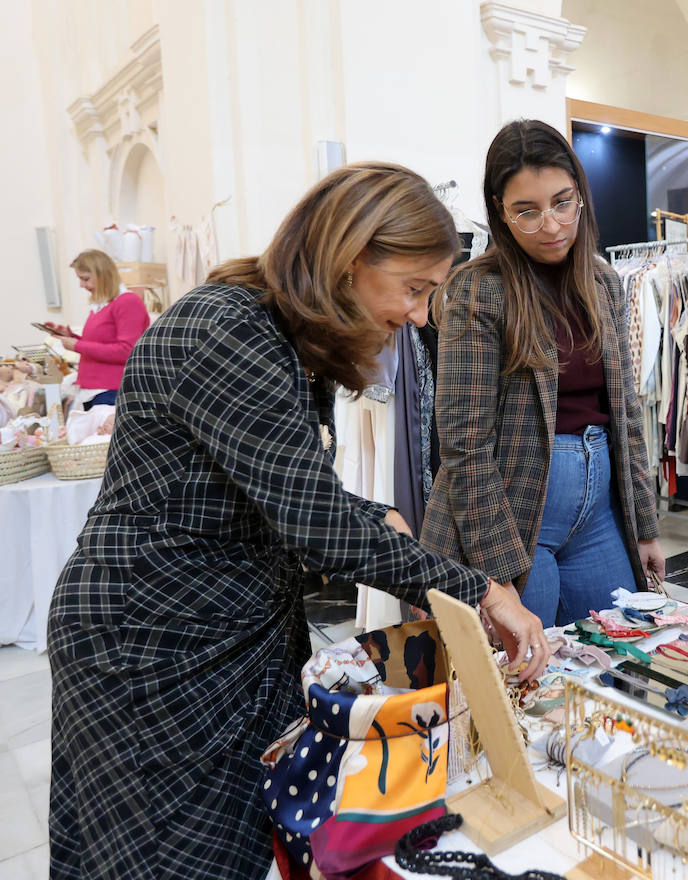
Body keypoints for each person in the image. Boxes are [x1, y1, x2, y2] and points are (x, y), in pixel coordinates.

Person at [46, 162, 550, 880]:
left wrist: (375, 514)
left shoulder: (277, 339)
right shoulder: (230, 332)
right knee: (168, 857)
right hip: (152, 650)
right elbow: (313, 525)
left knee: (231, 849)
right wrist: (481, 588)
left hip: (215, 641)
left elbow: (279, 490)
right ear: (351, 260)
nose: (415, 317)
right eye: (414, 290)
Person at [421, 120, 664, 628]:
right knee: (528, 686)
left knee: (614, 658)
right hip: (513, 514)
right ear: (500, 213)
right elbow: (463, 441)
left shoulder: (601, 281)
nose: (551, 225)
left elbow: (626, 413)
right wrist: (494, 571)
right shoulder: (477, 289)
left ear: (580, 196)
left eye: (562, 202)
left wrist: (644, 527)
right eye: (526, 212)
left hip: (599, 515)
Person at [48, 249, 150, 409]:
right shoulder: (102, 305)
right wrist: (71, 337)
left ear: (103, 275)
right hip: (95, 389)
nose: (82, 285)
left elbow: (127, 350)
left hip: (112, 390)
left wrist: (77, 345)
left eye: (85, 279)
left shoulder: (127, 302)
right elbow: (99, 344)